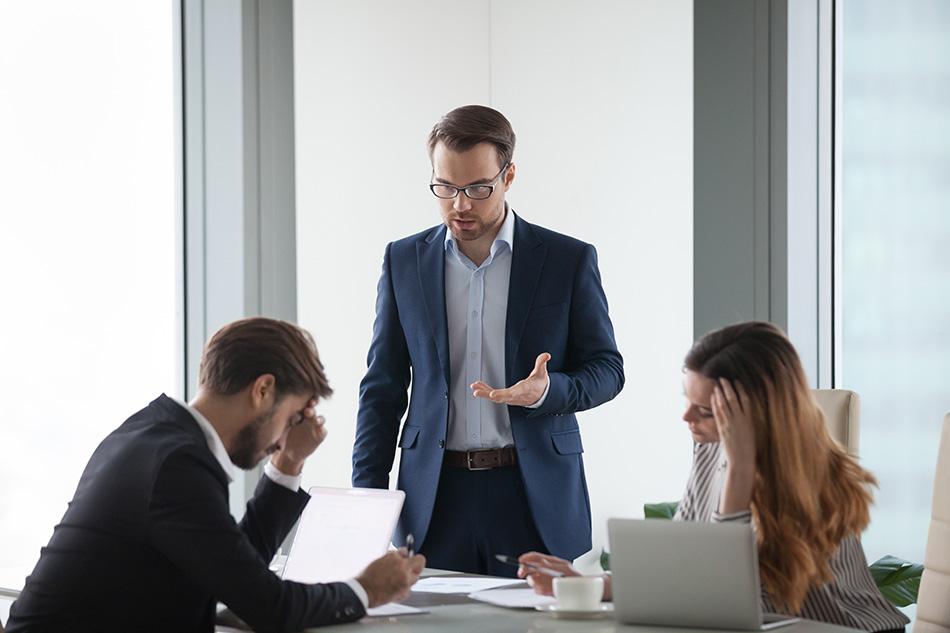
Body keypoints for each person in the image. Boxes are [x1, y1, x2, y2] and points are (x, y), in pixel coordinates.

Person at [7, 317, 425, 633]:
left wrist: (289, 463)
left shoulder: (152, 434)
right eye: (293, 416)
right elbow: (270, 606)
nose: (284, 438)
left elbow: (235, 572)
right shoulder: (176, 467)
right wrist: (368, 587)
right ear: (262, 391)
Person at [352, 105, 624, 576]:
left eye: (479, 188)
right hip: (435, 497)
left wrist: (548, 391)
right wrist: (367, 502)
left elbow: (607, 369)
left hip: (532, 491)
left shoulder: (566, 260)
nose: (460, 205)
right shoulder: (403, 261)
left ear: (509, 174)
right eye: (446, 188)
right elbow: (382, 388)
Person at [519, 322, 909, 632]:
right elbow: (690, 573)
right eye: (688, 401)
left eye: (706, 410)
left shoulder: (812, 476)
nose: (687, 418)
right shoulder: (710, 450)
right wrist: (586, 585)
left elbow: (740, 597)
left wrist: (740, 469)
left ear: (754, 411)